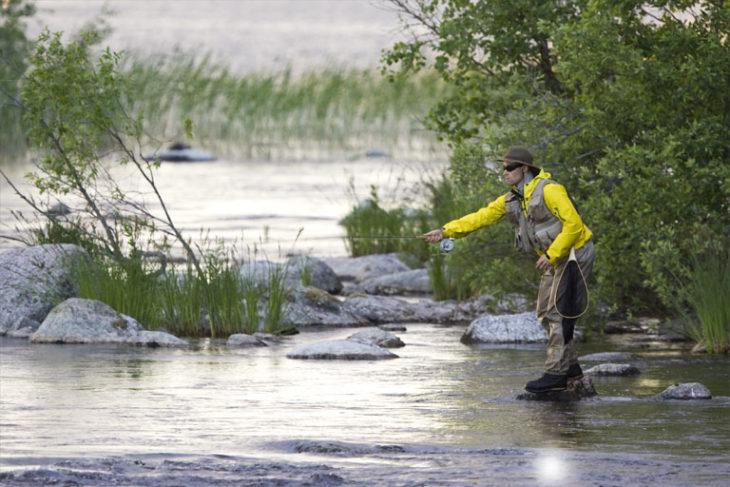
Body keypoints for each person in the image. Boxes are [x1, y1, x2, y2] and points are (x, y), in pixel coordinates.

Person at [422, 147, 595, 393]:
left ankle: (556, 373)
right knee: (545, 312)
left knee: (559, 312)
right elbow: (481, 217)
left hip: (575, 254)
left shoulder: (550, 190)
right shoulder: (512, 198)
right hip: (554, 258)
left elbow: (574, 225)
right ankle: (571, 368)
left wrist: (551, 254)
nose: (504, 172)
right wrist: (446, 231)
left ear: (524, 169)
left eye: (509, 168)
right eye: (503, 168)